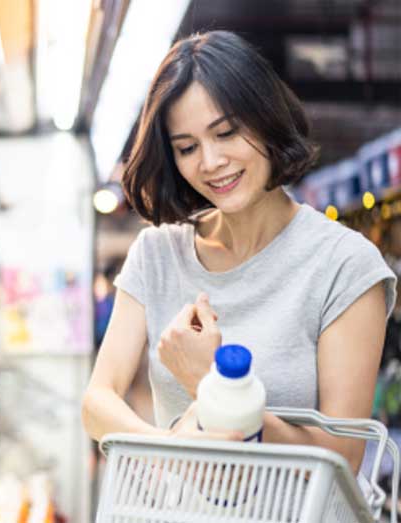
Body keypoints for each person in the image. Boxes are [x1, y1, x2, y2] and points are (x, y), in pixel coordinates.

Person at [81, 30, 397, 476]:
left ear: (265, 119)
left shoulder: (344, 265)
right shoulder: (157, 253)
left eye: (226, 132)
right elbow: (98, 401)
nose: (210, 162)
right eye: (187, 148)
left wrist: (213, 387)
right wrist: (170, 447)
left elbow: (341, 457)